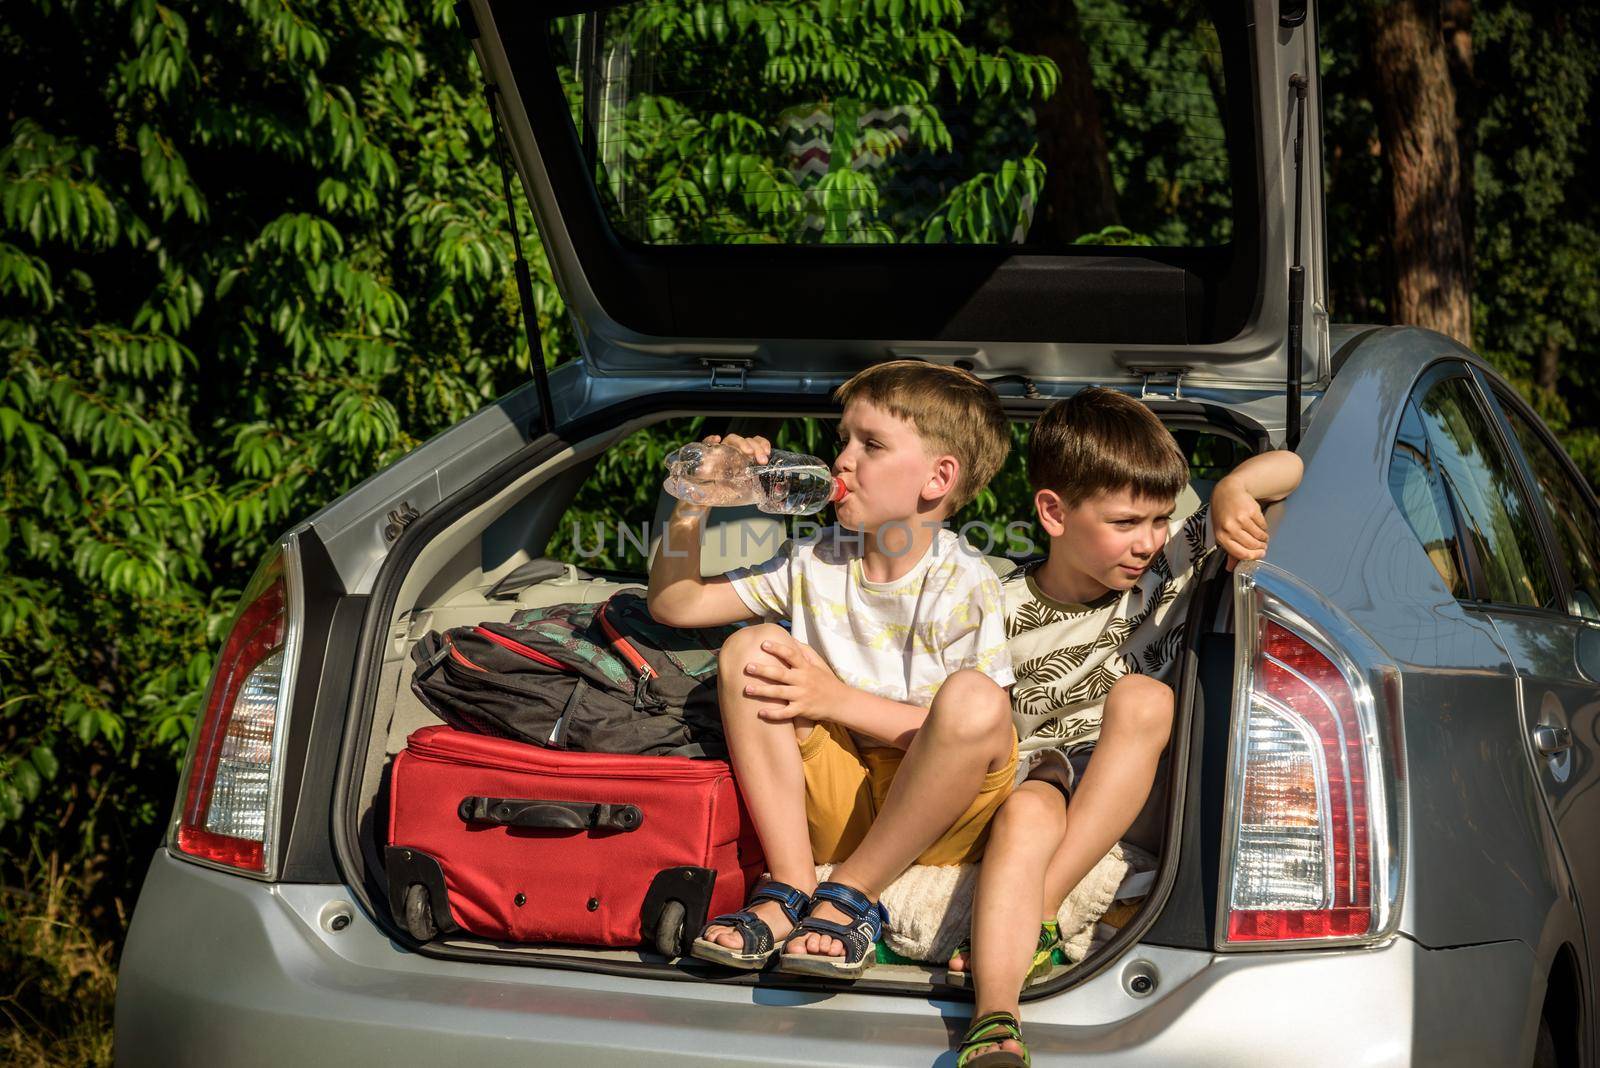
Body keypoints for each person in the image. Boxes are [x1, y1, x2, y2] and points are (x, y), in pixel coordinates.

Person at [949, 387, 1305, 1067]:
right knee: (1025, 809)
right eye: (1124, 523)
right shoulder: (993, 605)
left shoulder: (1169, 558)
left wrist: (1233, 488)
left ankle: (1037, 911)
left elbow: (1293, 470)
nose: (1146, 541)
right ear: (1053, 513)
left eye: (1159, 519)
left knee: (1143, 698)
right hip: (1044, 781)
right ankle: (995, 1019)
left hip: (1146, 793)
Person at [646, 360, 1019, 979]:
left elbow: (969, 732)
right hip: (843, 796)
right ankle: (791, 884)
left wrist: (833, 698)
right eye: (842, 440)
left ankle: (856, 893)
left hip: (939, 817)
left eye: (870, 445)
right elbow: (674, 602)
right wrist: (693, 500)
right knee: (750, 649)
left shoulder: (964, 581)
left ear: (938, 477)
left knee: (978, 701)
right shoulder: (810, 561)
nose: (842, 461)